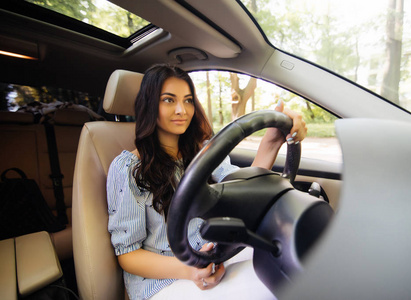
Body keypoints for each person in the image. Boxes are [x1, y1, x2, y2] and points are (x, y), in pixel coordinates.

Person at [107, 64, 307, 300]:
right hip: (164, 279)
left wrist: (272, 141)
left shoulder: (203, 152)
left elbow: (243, 189)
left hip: (218, 254)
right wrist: (190, 270)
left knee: (297, 267)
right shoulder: (129, 169)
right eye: (169, 100)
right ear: (150, 104)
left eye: (188, 100)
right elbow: (128, 254)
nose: (182, 110)